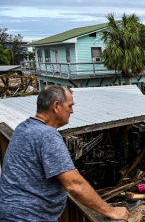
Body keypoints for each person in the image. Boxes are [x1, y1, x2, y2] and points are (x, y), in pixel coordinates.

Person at [0, 85, 129, 221]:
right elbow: (74, 184)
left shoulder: (23, 127)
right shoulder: (47, 135)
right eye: (70, 106)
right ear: (56, 107)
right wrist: (111, 211)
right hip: (28, 217)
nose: (72, 111)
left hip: (10, 212)